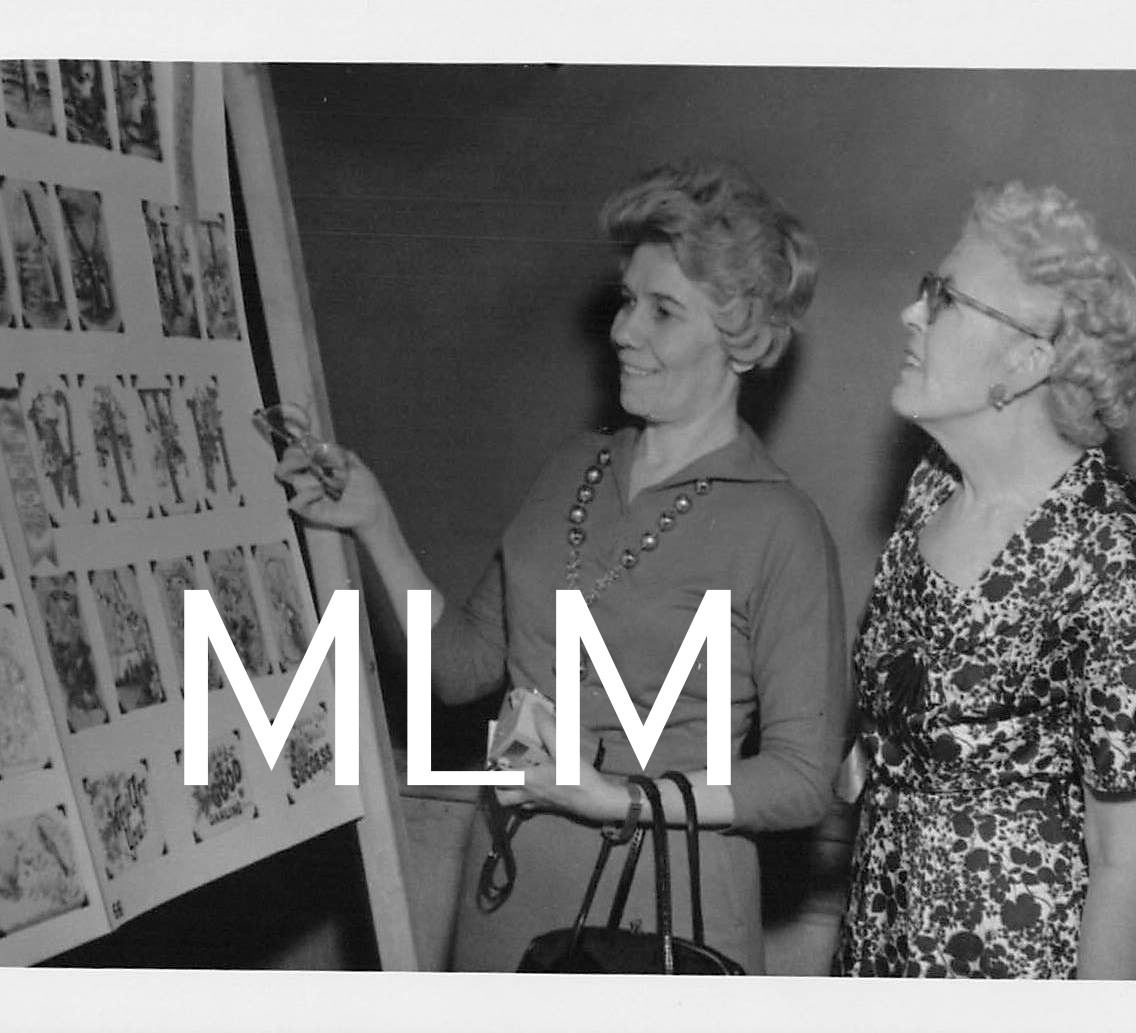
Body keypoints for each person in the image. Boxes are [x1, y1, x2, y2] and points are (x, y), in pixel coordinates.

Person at [280, 161, 849, 973]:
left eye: (662, 311)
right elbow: (462, 668)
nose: (623, 330)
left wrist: (617, 799)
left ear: (741, 337)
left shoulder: (780, 525)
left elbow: (801, 779)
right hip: (507, 891)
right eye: (627, 300)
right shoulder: (570, 467)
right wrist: (373, 522)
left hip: (660, 913)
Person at [834, 182, 1136, 979]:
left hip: (1024, 974)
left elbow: (1126, 867)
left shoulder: (1121, 554)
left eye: (944, 298)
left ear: (1029, 358)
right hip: (884, 944)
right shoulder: (930, 488)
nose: (910, 313)